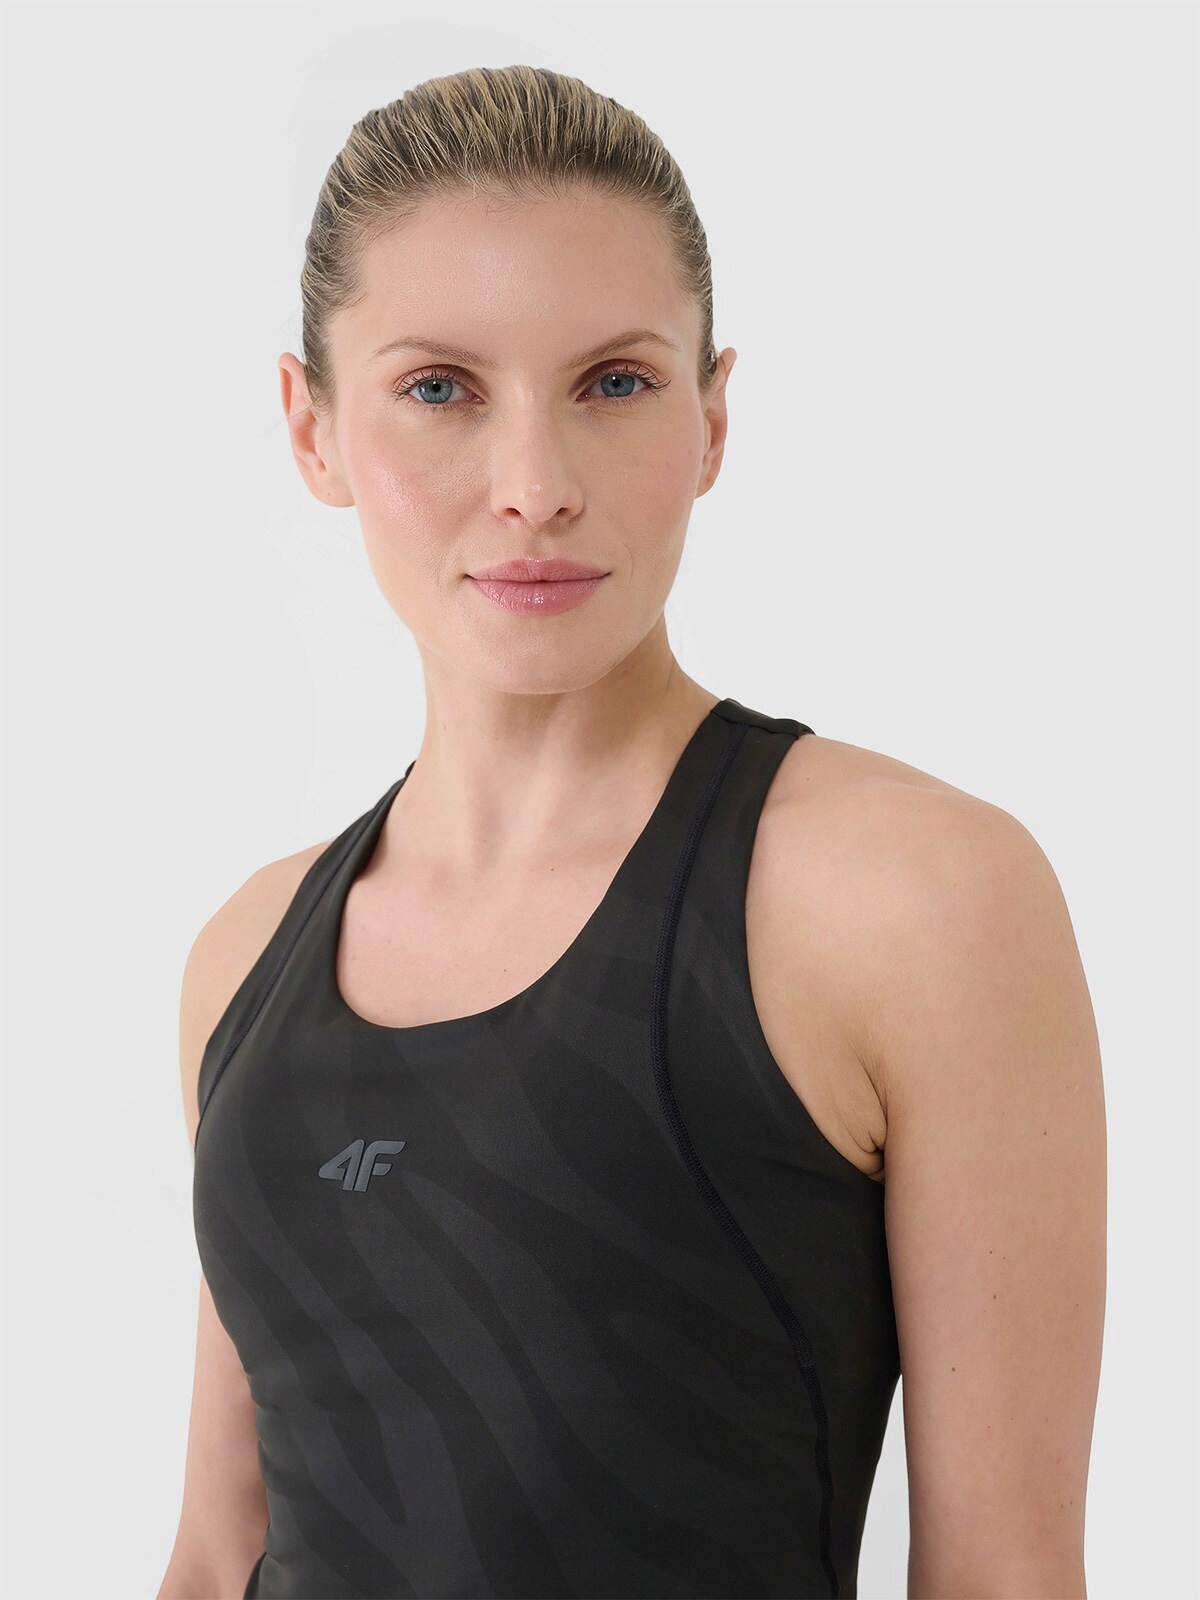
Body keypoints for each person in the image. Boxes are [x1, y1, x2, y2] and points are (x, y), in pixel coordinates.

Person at [156, 65, 1106, 1600]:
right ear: (311, 428)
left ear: (713, 416)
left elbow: (1006, 1575)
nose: (535, 488)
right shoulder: (244, 959)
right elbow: (216, 1555)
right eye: (440, 389)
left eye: (613, 384)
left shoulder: (914, 901)